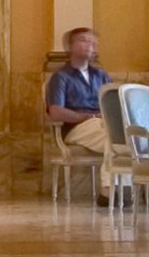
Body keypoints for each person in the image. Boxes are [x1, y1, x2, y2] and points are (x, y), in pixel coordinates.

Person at [44, 27, 110, 160]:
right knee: (115, 138)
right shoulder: (61, 77)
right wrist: (87, 117)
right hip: (76, 128)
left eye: (93, 42)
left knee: (125, 135)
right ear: (69, 47)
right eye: (84, 40)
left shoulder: (102, 76)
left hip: (102, 124)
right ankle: (114, 181)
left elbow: (112, 105)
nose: (90, 45)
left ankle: (115, 180)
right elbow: (55, 112)